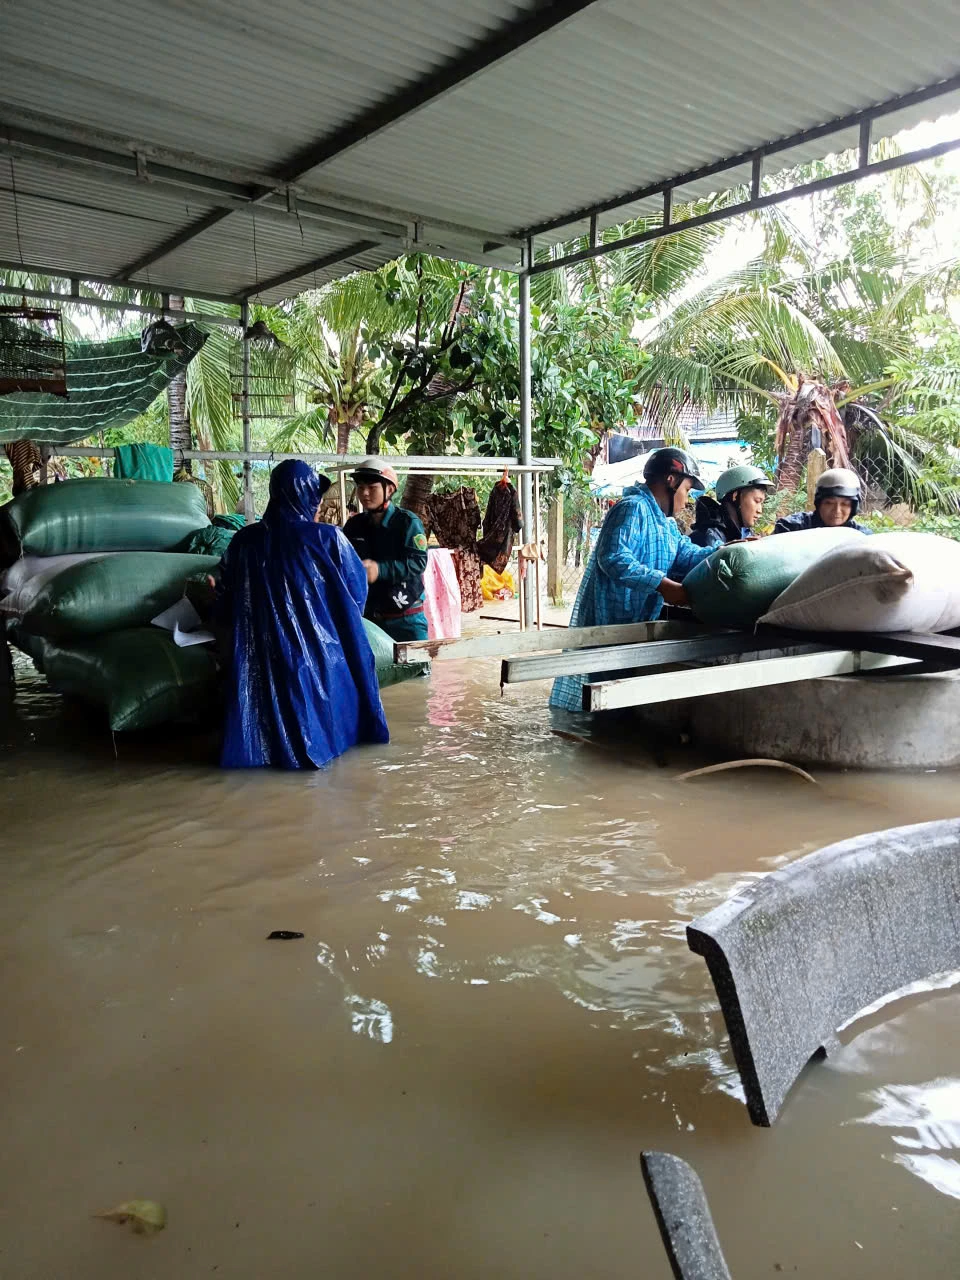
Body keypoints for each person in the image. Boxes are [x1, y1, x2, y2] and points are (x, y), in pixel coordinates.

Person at [216, 459, 388, 770]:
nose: (318, 504)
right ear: (306, 496)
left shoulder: (244, 541)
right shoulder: (328, 538)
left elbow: (225, 596)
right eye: (315, 497)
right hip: (318, 660)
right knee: (325, 742)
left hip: (260, 660)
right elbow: (355, 597)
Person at [550, 447, 715, 712]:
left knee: (622, 701)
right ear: (670, 480)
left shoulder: (665, 524)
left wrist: (724, 552)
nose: (687, 501)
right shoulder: (631, 509)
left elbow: (685, 555)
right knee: (604, 702)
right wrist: (661, 584)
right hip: (610, 625)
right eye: (687, 490)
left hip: (635, 626)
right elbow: (613, 557)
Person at [343, 458, 430, 642]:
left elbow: (418, 562)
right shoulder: (353, 526)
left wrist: (379, 570)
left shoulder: (408, 523)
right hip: (369, 621)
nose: (365, 493)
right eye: (360, 487)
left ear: (389, 490)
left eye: (372, 487)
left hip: (407, 619)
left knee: (417, 661)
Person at [690, 464, 773, 548]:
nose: (760, 511)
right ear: (735, 496)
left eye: (761, 503)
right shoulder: (711, 536)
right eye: (757, 501)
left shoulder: (742, 532)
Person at [772, 467, 870, 534]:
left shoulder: (861, 536)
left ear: (853, 507)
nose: (837, 510)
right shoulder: (791, 528)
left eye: (845, 504)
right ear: (819, 504)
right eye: (829, 503)